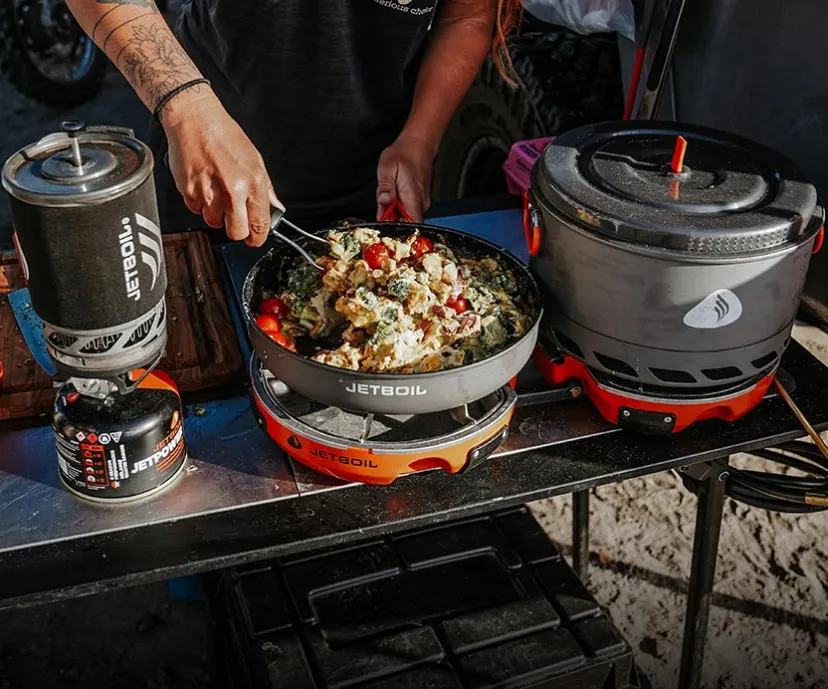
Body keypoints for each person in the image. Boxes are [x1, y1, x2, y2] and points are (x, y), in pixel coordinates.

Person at [66, 0, 522, 245]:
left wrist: (420, 138)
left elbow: (467, 15)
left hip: (370, 186)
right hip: (206, 167)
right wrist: (188, 109)